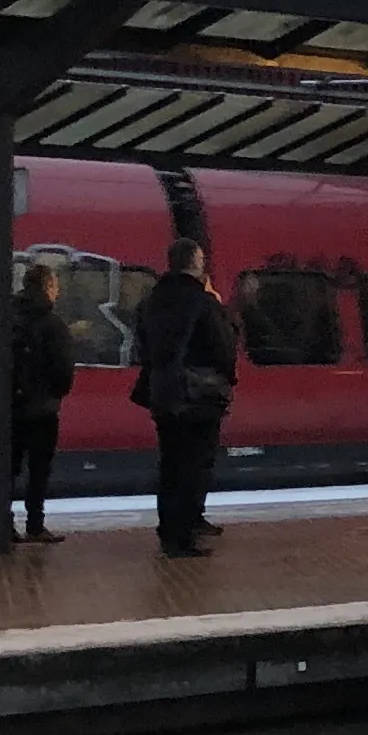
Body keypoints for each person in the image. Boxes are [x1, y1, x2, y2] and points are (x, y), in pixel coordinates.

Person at [129, 239, 239, 558]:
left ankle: (169, 530)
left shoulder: (151, 300)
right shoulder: (202, 301)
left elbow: (144, 346)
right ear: (192, 262)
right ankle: (184, 536)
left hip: (162, 392)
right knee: (195, 465)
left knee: (171, 464)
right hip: (198, 395)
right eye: (202, 258)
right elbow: (224, 347)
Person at [7, 261, 76, 542]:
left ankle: (3, 521)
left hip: (9, 407)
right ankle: (35, 523)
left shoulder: (8, 317)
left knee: (7, 469)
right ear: (48, 287)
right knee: (38, 470)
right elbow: (63, 368)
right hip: (42, 408)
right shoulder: (52, 323)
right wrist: (56, 392)